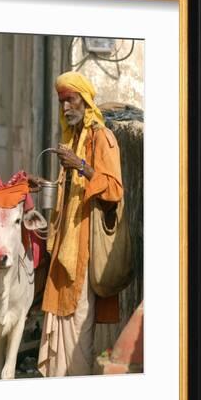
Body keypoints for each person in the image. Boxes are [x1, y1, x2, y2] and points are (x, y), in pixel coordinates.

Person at [29, 71, 124, 377]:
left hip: (83, 252)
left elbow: (114, 191)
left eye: (71, 100)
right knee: (62, 324)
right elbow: (69, 195)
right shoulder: (72, 140)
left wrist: (81, 167)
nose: (66, 107)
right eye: (62, 102)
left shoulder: (102, 138)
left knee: (78, 330)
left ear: (84, 100)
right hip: (63, 250)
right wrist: (43, 184)